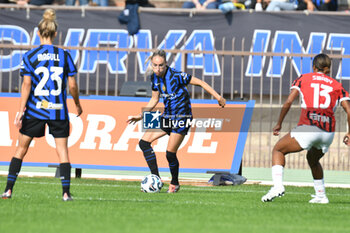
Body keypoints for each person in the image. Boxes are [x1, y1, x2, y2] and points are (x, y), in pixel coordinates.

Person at [1, 9, 83, 201]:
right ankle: (65, 193)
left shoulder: (30, 56)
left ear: (38, 33)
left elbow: (26, 84)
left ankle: (8, 190)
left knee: (21, 149)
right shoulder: (64, 55)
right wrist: (77, 104)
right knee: (63, 152)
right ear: (55, 34)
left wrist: (21, 110)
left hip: (36, 110)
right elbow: (72, 85)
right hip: (58, 111)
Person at [127, 49, 226, 193]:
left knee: (170, 153)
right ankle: (156, 178)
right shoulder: (154, 78)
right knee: (143, 143)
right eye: (155, 65)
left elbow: (201, 83)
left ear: (166, 64)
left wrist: (218, 97)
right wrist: (140, 115)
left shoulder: (176, 76)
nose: (158, 68)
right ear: (152, 65)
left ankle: (174, 183)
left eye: (161, 65)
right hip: (167, 116)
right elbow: (155, 99)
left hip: (182, 117)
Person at [261, 53, 350, 204]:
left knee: (278, 150)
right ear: (328, 69)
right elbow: (349, 110)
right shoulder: (337, 85)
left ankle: (277, 186)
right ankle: (321, 195)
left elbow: (289, 101)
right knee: (312, 159)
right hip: (328, 133)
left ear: (314, 67)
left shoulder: (304, 78)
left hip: (309, 128)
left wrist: (279, 123)